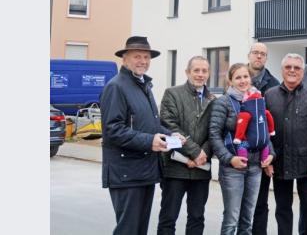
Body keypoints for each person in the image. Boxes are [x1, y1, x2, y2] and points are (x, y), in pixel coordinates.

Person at [100, 36, 184, 235]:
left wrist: (170, 135)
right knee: (128, 230)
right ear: (125, 59)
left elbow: (151, 126)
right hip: (126, 172)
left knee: (139, 230)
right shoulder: (116, 87)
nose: (143, 61)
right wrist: (149, 141)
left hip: (144, 171)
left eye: (146, 57)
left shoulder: (144, 86)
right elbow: (113, 130)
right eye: (137, 56)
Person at [265, 53, 307, 235]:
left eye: (297, 68)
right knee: (282, 209)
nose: (292, 70)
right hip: (279, 161)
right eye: (288, 67)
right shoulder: (269, 95)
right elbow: (264, 132)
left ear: (302, 72)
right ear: (282, 70)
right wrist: (267, 159)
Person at [209, 63, 274, 235]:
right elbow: (214, 135)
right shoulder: (223, 102)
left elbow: (263, 131)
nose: (243, 80)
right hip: (232, 169)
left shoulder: (257, 99)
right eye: (238, 77)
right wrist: (229, 159)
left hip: (255, 168)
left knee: (247, 220)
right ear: (230, 81)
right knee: (232, 220)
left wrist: (270, 155)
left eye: (245, 76)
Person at [157, 56, 216, 235]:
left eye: (204, 71)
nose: (200, 74)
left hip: (201, 168)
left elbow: (215, 131)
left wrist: (202, 154)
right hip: (175, 167)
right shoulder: (172, 93)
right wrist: (195, 152)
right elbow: (169, 125)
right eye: (196, 70)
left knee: (197, 217)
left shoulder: (214, 100)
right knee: (168, 217)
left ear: (209, 74)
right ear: (187, 72)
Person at [247, 42, 281, 235]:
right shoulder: (238, 78)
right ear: (249, 55)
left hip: (262, 154)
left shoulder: (273, 84)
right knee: (237, 205)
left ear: (266, 58)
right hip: (239, 153)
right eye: (255, 53)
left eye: (263, 54)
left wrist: (268, 156)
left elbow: (272, 125)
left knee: (260, 203)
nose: (259, 56)